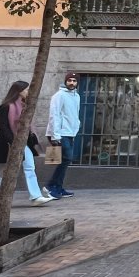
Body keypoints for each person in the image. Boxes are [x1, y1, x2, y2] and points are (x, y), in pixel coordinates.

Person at [0, 80, 55, 208]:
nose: (29, 92)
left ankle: (36, 196)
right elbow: (4, 128)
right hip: (5, 144)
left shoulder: (26, 106)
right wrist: (13, 143)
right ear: (18, 91)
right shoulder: (5, 107)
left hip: (23, 142)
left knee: (30, 168)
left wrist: (32, 139)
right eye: (27, 89)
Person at [44, 71, 81, 199]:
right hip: (60, 132)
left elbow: (75, 114)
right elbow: (54, 115)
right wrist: (55, 135)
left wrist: (76, 127)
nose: (72, 83)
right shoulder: (59, 95)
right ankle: (50, 186)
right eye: (69, 80)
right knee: (67, 158)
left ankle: (58, 187)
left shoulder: (77, 96)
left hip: (70, 132)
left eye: (74, 81)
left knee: (65, 160)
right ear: (66, 81)